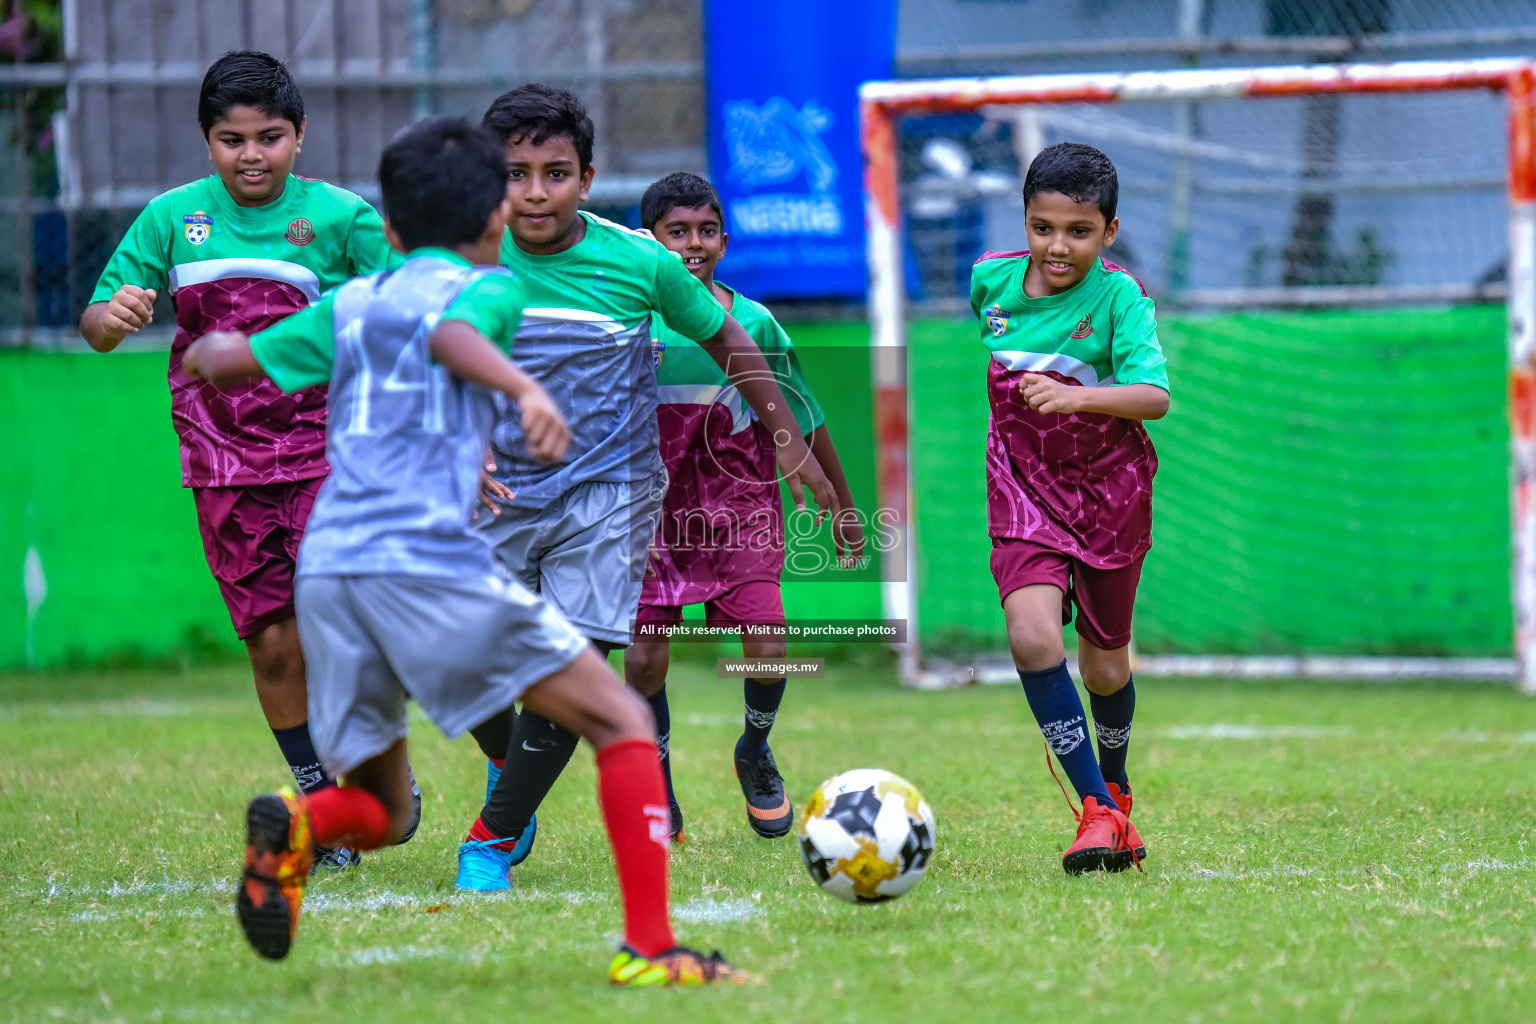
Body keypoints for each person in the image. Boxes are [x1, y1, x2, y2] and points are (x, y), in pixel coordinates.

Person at [184, 115, 745, 986]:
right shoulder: (489, 290)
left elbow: (232, 362)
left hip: (331, 568)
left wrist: (214, 349)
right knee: (622, 718)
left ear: (392, 231)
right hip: (420, 558)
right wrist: (522, 388)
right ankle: (652, 948)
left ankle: (300, 829)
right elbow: (453, 336)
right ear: (494, 221)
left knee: (380, 809)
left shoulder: (353, 301)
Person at [454, 84, 840, 891]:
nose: (534, 191)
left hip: (609, 502)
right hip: (495, 499)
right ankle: (504, 766)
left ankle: (491, 839)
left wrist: (790, 447)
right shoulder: (458, 257)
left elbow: (729, 335)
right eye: (515, 172)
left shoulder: (637, 262)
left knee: (577, 663)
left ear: (586, 180)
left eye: (554, 173)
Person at [79, 50, 413, 867]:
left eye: (270, 137)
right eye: (232, 140)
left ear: (300, 136)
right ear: (207, 142)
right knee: (271, 642)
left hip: (329, 455)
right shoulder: (169, 219)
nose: (251, 155)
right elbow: (93, 324)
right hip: (222, 466)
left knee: (348, 622)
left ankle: (373, 776)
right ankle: (316, 792)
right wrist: (113, 317)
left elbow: (409, 306)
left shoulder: (341, 219)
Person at [628, 172, 863, 842]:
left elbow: (806, 417)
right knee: (643, 661)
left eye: (706, 231)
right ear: (649, 243)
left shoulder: (753, 322)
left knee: (769, 644)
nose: (694, 244)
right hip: (652, 519)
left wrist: (842, 503)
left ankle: (755, 749)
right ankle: (660, 787)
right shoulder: (627, 323)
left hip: (741, 509)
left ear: (725, 240)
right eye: (678, 232)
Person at [971, 142, 1169, 874]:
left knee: (1106, 669)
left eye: (1079, 231)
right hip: (1021, 491)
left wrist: (1076, 395)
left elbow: (1155, 397)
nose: (1058, 246)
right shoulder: (988, 282)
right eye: (1042, 227)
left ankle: (1113, 781)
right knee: (1030, 638)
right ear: (1024, 221)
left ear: (1108, 232)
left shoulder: (1121, 298)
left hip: (1110, 498)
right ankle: (1097, 811)